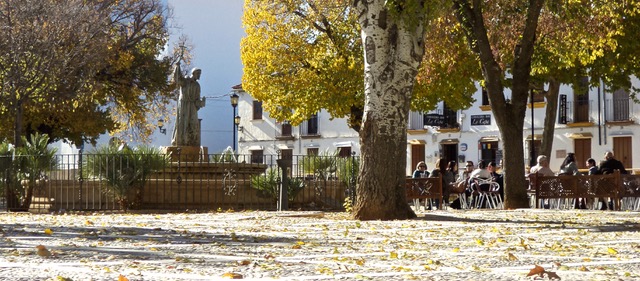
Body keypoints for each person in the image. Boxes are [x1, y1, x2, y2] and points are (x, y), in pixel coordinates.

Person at [171, 62, 206, 147]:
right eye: (198, 74)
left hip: (192, 106)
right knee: (183, 122)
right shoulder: (186, 80)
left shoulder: (197, 85)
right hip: (184, 104)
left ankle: (191, 141)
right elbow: (177, 79)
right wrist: (177, 67)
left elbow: (197, 99)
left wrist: (202, 102)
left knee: (193, 122)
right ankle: (180, 141)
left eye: (200, 74)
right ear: (193, 73)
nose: (199, 76)